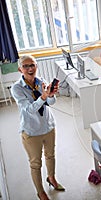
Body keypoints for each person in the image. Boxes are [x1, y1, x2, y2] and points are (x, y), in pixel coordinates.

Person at [11, 55, 65, 200]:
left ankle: (51, 178)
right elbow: (29, 109)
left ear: (36, 66)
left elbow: (51, 103)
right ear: (20, 69)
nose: (30, 69)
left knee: (51, 155)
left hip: (48, 126)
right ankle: (40, 192)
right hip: (31, 131)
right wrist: (43, 97)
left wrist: (51, 95)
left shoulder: (41, 81)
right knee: (35, 164)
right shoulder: (17, 88)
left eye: (32, 65)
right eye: (26, 66)